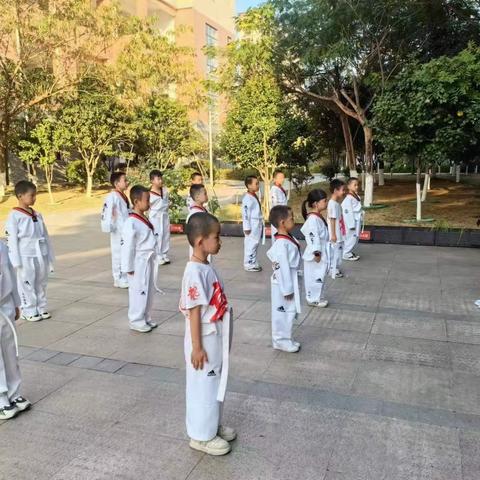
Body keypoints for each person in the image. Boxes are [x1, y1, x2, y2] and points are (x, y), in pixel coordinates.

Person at [180, 212, 235, 456]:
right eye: (216, 236)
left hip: (214, 335)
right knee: (203, 385)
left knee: (214, 382)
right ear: (201, 241)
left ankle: (211, 425)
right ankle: (201, 436)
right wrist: (197, 347)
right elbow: (193, 312)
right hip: (203, 337)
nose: (220, 241)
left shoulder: (206, 267)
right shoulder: (194, 272)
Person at [5, 181, 54, 322]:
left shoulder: (37, 215)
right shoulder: (14, 216)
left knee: (41, 281)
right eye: (31, 195)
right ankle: (28, 309)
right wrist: (15, 261)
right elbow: (12, 238)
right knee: (26, 282)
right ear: (20, 196)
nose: (34, 198)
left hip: (40, 253)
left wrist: (49, 255)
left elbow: (45, 235)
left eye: (35, 195)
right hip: (25, 255)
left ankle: (41, 307)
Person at [121, 185, 159, 333]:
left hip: (147, 259)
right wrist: (128, 267)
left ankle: (146, 316)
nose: (149, 203)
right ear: (136, 201)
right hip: (138, 262)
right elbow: (128, 246)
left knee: (148, 290)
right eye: (147, 200)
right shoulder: (131, 222)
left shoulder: (143, 217)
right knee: (138, 291)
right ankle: (136, 320)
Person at [0, 240, 31, 419]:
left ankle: (14, 392)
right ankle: (1, 398)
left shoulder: (2, 246)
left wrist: (17, 303)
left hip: (5, 305)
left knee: (10, 352)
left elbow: (10, 273)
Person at [266, 205, 301, 353]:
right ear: (282, 223)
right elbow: (283, 267)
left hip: (289, 279)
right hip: (283, 282)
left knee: (289, 311)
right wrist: (287, 289)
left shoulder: (287, 238)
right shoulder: (281, 243)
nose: (294, 221)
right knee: (282, 312)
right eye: (291, 218)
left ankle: (286, 338)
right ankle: (280, 340)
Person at [101, 171, 130, 288]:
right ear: (117, 183)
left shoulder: (123, 196)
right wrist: (109, 226)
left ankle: (124, 275)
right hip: (117, 230)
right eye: (125, 180)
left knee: (125, 253)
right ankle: (118, 278)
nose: (127, 182)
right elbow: (107, 212)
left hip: (125, 229)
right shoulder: (112, 196)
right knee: (118, 253)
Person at [301, 189, 329, 308]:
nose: (326, 203)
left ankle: (316, 297)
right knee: (314, 276)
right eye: (324, 201)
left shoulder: (316, 217)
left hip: (321, 250)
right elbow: (313, 236)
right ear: (315, 204)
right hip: (316, 254)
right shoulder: (313, 219)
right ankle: (313, 299)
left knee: (319, 275)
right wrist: (316, 252)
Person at [242, 175, 264, 272]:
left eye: (258, 183)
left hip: (256, 223)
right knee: (251, 244)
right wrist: (246, 227)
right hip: (251, 224)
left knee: (255, 243)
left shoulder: (253, 196)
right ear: (249, 185)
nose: (258, 185)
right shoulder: (247, 198)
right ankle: (249, 264)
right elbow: (245, 214)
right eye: (256, 183)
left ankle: (253, 262)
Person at [149, 170, 171, 265]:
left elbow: (166, 201)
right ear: (152, 181)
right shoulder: (149, 194)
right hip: (155, 217)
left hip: (164, 215)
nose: (160, 181)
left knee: (165, 235)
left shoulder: (164, 190)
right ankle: (157, 255)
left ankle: (164, 254)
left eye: (161, 178)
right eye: (158, 179)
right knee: (158, 235)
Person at [327, 179, 346, 279]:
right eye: (342, 190)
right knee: (335, 252)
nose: (344, 192)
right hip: (335, 234)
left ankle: (335, 268)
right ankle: (333, 270)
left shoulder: (336, 203)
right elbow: (332, 219)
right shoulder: (332, 204)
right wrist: (333, 234)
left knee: (339, 252)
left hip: (339, 232)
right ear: (335, 190)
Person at [342, 178, 363, 261]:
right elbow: (347, 212)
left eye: (357, 185)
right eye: (355, 185)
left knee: (355, 237)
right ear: (348, 186)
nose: (357, 187)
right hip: (352, 221)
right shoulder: (348, 198)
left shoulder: (355, 195)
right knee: (351, 237)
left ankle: (349, 251)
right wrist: (351, 224)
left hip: (357, 219)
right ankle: (346, 253)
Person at [269, 170, 288, 243]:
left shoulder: (279, 188)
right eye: (280, 177)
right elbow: (275, 206)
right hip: (278, 218)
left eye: (283, 177)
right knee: (277, 239)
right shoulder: (274, 190)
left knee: (282, 239)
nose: (282, 179)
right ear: (274, 179)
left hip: (283, 216)